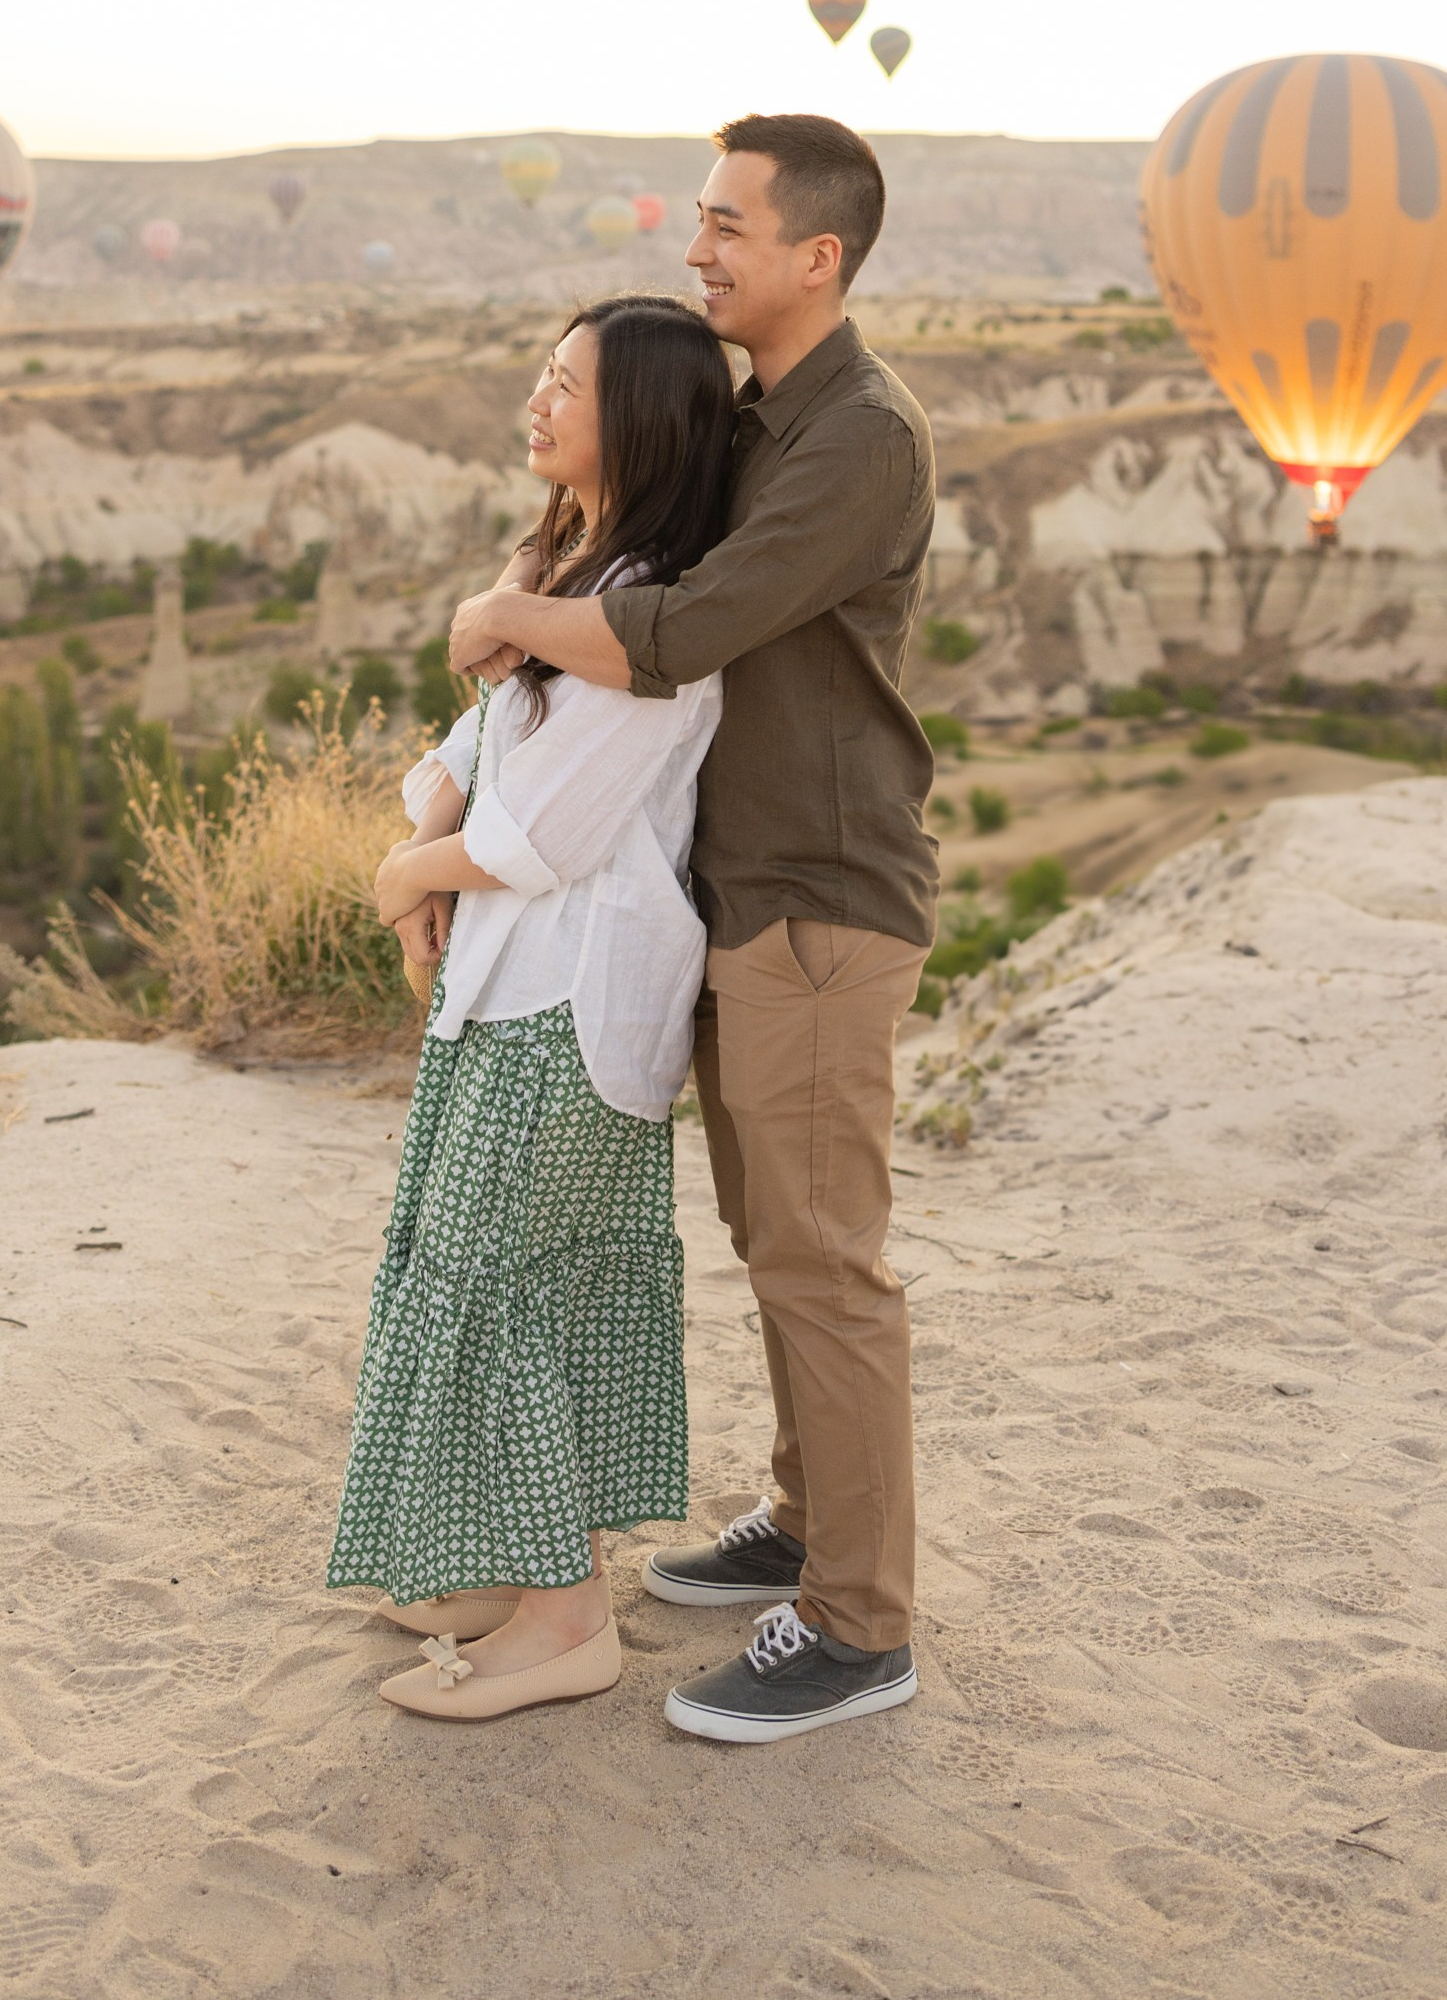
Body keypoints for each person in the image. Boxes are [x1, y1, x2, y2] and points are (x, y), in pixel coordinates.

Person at [449, 112, 937, 1743]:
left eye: (728, 225)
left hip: (815, 895)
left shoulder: (859, 434)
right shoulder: (755, 419)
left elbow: (697, 624)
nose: (697, 246)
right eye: (698, 220)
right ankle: (804, 1522)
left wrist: (512, 617)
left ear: (820, 255)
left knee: (821, 1263)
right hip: (732, 898)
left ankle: (860, 1627)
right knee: (771, 1245)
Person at [328, 293, 737, 1721]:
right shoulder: (580, 569)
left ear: (637, 420)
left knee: (517, 1293)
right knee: (487, 1271)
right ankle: (511, 1573)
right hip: (512, 991)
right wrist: (437, 807)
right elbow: (475, 750)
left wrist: (405, 873)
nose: (537, 399)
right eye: (542, 375)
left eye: (565, 384)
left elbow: (542, 837)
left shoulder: (648, 614)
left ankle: (566, 1623)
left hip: (569, 996)